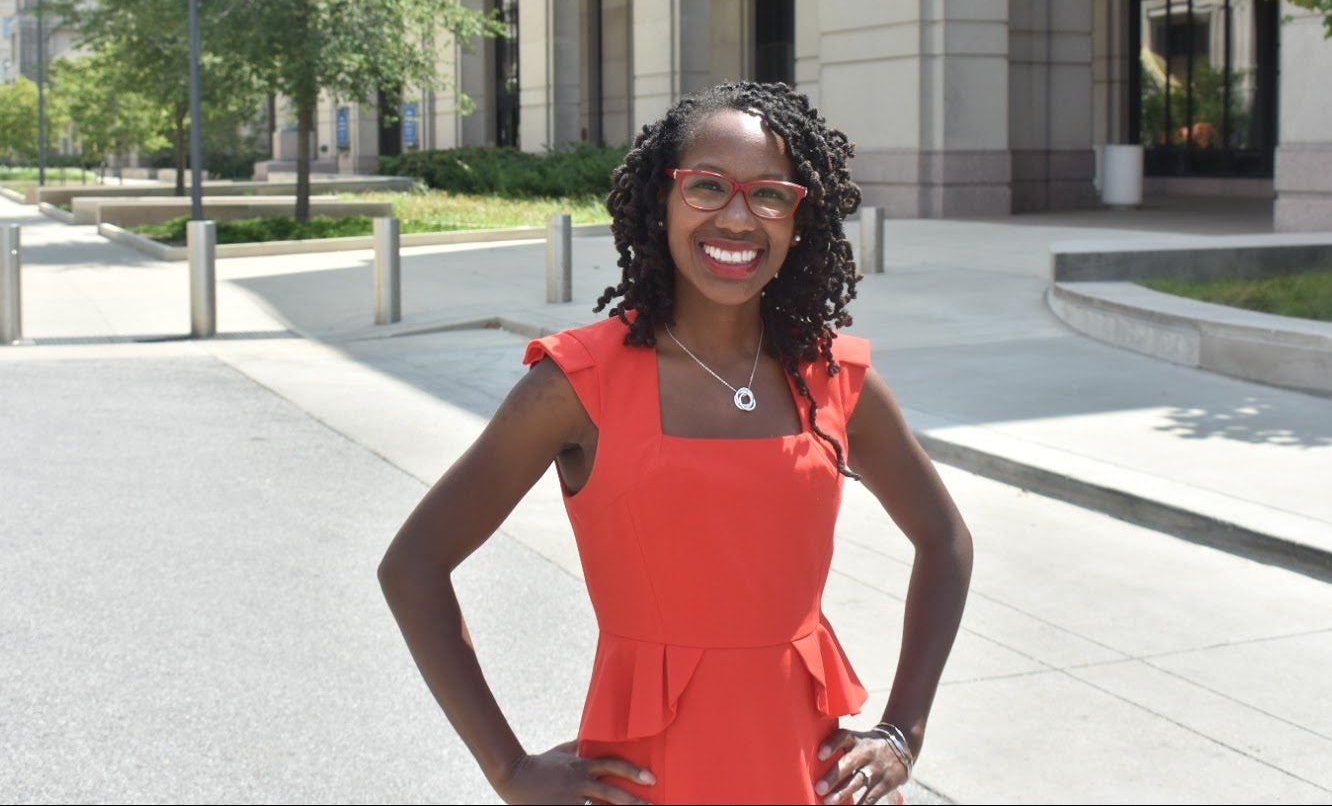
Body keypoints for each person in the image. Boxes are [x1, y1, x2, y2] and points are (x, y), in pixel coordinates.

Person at [379, 81, 973, 806]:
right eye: (707, 187)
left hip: (806, 776)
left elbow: (945, 540)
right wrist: (510, 769)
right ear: (662, 201)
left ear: (798, 221)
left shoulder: (834, 378)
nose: (737, 217)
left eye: (770, 196)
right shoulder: (576, 384)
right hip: (649, 781)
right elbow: (413, 564)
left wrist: (902, 734)